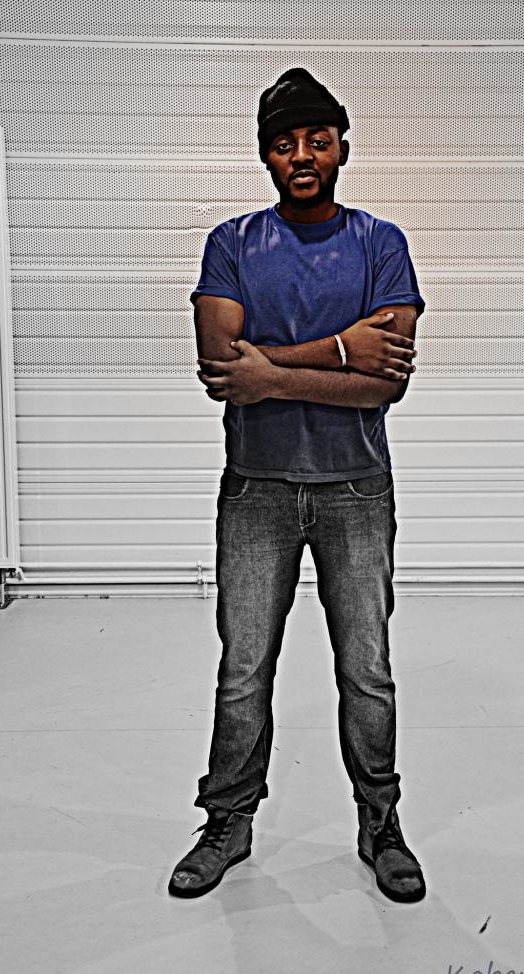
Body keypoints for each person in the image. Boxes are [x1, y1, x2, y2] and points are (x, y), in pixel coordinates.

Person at [168, 68, 427, 904]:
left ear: (342, 146)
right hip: (258, 491)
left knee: (368, 670)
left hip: (356, 491)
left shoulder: (380, 243)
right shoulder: (233, 244)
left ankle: (380, 822)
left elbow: (385, 383)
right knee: (244, 669)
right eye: (285, 144)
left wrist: (272, 371)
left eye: (318, 139)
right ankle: (228, 821)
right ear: (267, 156)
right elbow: (222, 369)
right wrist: (342, 348)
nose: (303, 155)